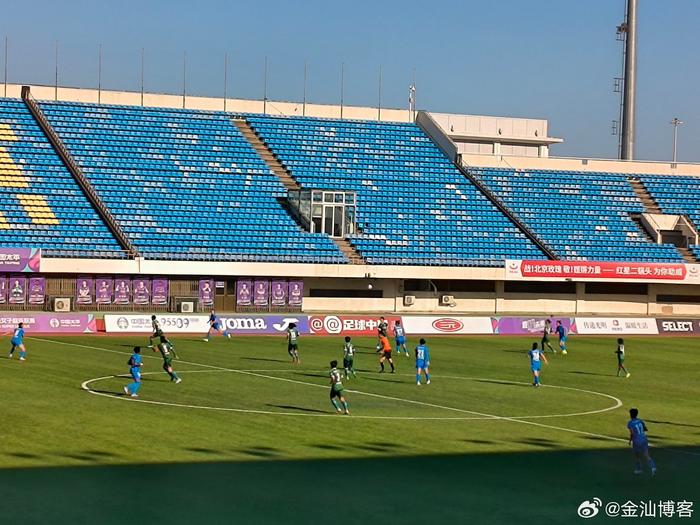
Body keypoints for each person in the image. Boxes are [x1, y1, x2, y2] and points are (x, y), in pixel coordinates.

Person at [627, 408, 657, 476]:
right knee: (646, 455)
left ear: (630, 414)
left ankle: (639, 469)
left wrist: (630, 440)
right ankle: (653, 467)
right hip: (644, 438)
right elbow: (645, 429)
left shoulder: (630, 423)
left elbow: (632, 433)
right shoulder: (640, 421)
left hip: (637, 440)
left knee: (637, 455)